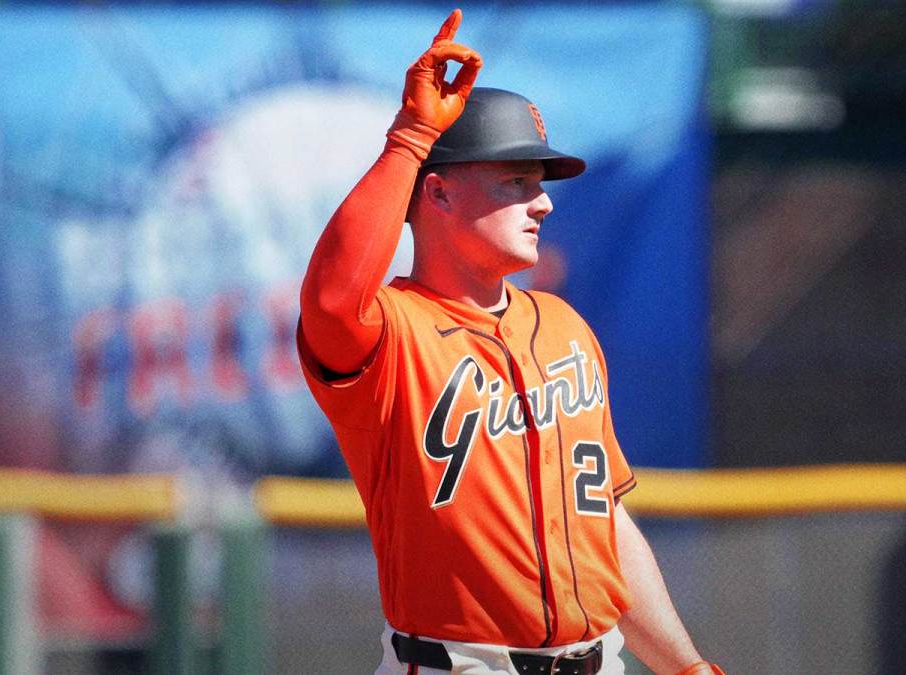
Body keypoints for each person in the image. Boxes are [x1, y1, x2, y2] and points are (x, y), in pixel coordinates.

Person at [298, 10, 722, 675]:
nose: (543, 203)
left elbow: (604, 524)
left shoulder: (565, 327)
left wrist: (686, 665)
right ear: (436, 193)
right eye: (516, 183)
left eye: (540, 184)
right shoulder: (391, 336)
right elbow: (330, 299)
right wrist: (411, 137)